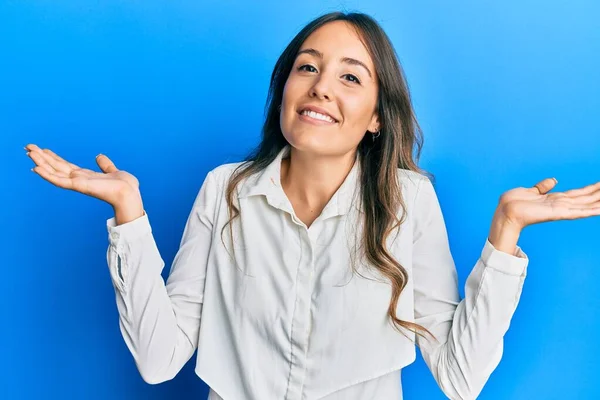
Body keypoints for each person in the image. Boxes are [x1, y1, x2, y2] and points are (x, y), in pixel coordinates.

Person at [25, 11, 600, 400]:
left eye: (351, 76)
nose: (322, 86)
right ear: (285, 92)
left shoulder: (408, 202)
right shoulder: (224, 190)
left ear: (377, 117)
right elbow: (158, 360)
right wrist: (129, 214)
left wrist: (505, 236)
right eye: (308, 67)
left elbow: (460, 376)